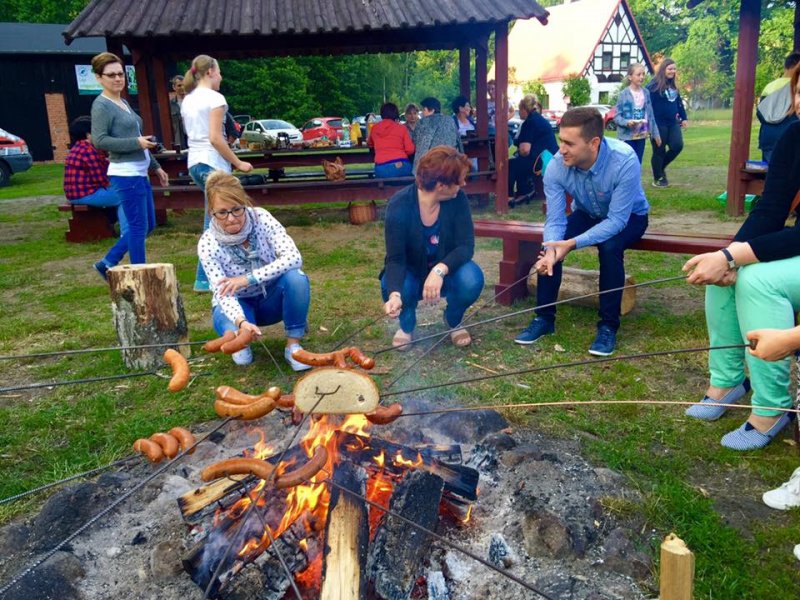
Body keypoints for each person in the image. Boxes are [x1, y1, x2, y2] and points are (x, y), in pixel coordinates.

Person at [682, 95, 800, 451]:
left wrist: (737, 256)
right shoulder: (795, 136)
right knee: (720, 272)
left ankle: (772, 407)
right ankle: (726, 381)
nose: (799, 100)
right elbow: (771, 209)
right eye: (798, 90)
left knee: (758, 280)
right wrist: (727, 258)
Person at [514, 107, 649, 356]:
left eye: (569, 143)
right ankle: (544, 318)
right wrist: (554, 246)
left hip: (630, 216)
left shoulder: (625, 159)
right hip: (587, 212)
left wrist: (572, 243)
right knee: (551, 246)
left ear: (594, 143)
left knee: (610, 247)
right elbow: (554, 219)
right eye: (560, 140)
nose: (561, 149)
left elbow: (617, 221)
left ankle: (608, 326)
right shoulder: (556, 165)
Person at [198, 171, 311, 370]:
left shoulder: (261, 218)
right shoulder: (208, 244)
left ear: (245, 203)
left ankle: (293, 346)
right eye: (222, 212)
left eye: (237, 210)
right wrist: (241, 322)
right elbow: (223, 294)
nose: (231, 218)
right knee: (241, 355)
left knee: (297, 278)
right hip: (236, 305)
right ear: (211, 213)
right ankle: (241, 337)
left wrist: (248, 279)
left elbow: (294, 257)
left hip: (270, 300)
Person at [381, 146, 484, 349]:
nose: (463, 184)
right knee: (396, 286)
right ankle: (407, 326)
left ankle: (453, 320)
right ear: (441, 185)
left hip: (446, 274)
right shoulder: (399, 204)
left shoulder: (458, 200)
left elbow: (466, 246)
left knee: (471, 278)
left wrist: (440, 269)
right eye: (460, 180)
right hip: (412, 274)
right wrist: (394, 295)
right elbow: (395, 259)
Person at [89, 52, 169, 281]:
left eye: (120, 74)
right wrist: (136, 142)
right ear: (99, 78)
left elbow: (138, 137)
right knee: (136, 227)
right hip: (124, 174)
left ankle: (107, 262)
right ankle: (139, 276)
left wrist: (156, 166)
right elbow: (100, 140)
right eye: (111, 75)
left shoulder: (122, 102)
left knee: (148, 225)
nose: (117, 79)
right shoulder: (102, 105)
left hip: (140, 171)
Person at [181, 54, 253, 293]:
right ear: (210, 71)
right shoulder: (215, 98)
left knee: (214, 218)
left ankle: (206, 277)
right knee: (221, 218)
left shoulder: (188, 100)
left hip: (194, 163)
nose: (221, 77)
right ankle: (207, 277)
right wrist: (238, 162)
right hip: (213, 164)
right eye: (219, 72)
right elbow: (215, 138)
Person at [63, 115, 128, 238]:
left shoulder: (77, 148)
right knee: (125, 196)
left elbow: (103, 166)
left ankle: (113, 222)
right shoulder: (88, 150)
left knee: (121, 190)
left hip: (74, 194)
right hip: (85, 195)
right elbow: (101, 179)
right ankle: (127, 234)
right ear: (88, 134)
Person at [508, 94, 559, 206]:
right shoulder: (540, 119)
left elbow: (525, 150)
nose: (518, 112)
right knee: (520, 161)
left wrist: (518, 152)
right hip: (552, 158)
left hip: (540, 162)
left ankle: (510, 196)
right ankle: (524, 190)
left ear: (524, 109)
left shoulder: (529, 123)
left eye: (519, 109)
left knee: (511, 164)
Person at [647, 58, 688, 188]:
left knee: (677, 146)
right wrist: (649, 126)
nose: (672, 71)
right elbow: (647, 106)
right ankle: (658, 177)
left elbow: (678, 102)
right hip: (658, 124)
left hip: (673, 123)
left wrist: (684, 117)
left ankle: (660, 168)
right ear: (663, 69)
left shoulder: (673, 85)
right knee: (659, 150)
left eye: (674, 69)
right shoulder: (653, 86)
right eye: (670, 69)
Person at [757, 52, 800, 164]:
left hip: (768, 139)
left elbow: (762, 113)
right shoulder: (795, 86)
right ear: (796, 65)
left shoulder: (769, 86)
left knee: (771, 175)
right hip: (790, 139)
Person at [614, 63, 661, 164]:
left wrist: (656, 134)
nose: (642, 77)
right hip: (626, 135)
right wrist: (627, 122)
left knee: (637, 162)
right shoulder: (623, 94)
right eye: (638, 74)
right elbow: (617, 116)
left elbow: (650, 115)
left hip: (641, 133)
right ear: (630, 77)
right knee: (627, 162)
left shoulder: (646, 93)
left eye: (643, 74)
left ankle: (636, 180)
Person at [411, 97, 462, 173]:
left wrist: (416, 170)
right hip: (451, 163)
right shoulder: (450, 120)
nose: (422, 112)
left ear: (432, 110)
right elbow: (459, 142)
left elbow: (417, 142)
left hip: (432, 165)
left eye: (424, 110)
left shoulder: (423, 122)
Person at [367, 102, 415, 178]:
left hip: (381, 169)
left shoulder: (374, 128)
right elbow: (410, 150)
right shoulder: (401, 128)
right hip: (400, 166)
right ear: (395, 113)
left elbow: (370, 144)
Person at [169, 75, 186, 148]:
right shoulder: (170, 105)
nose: (182, 87)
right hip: (179, 139)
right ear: (174, 87)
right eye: (179, 85)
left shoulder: (193, 101)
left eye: (184, 85)